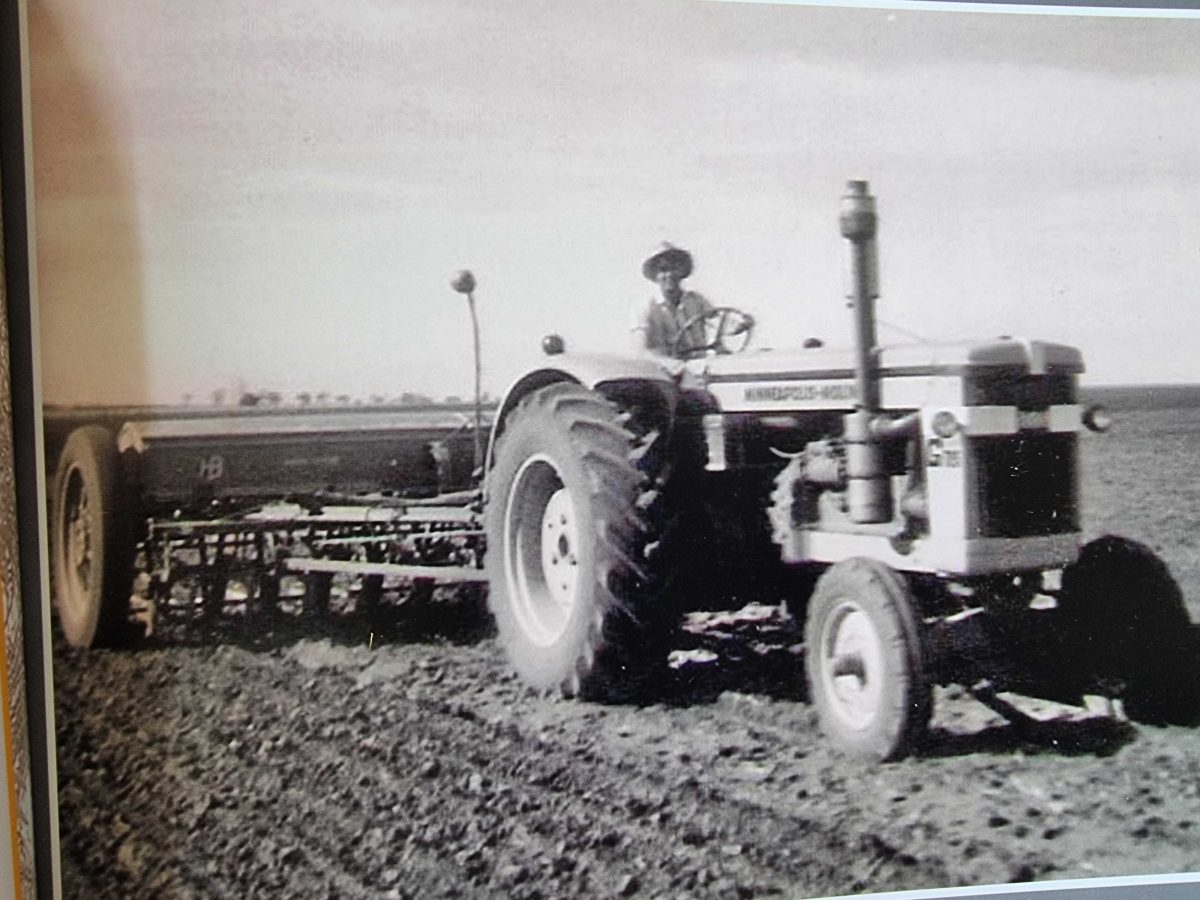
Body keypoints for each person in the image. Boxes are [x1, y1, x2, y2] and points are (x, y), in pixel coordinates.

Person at [630, 243, 716, 359]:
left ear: (681, 271)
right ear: (655, 275)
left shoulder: (696, 300)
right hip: (664, 371)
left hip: (699, 366)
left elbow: (720, 320)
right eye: (663, 270)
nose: (670, 275)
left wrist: (739, 324)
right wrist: (671, 365)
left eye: (674, 268)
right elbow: (640, 351)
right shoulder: (645, 307)